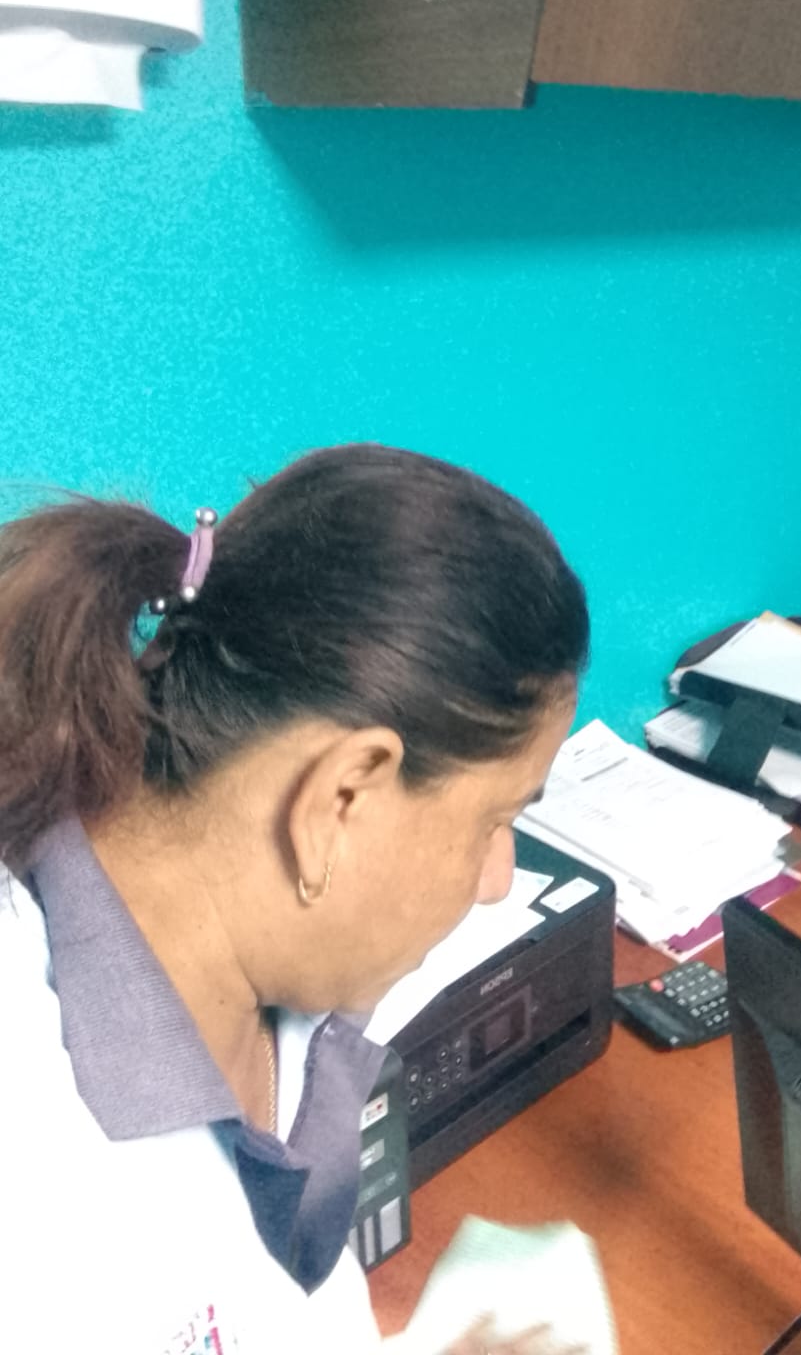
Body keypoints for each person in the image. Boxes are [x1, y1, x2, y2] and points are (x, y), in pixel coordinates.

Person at [0, 444, 592, 1355]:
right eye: (497, 820)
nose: (497, 880)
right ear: (341, 798)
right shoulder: (36, 1205)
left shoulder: (276, 982)